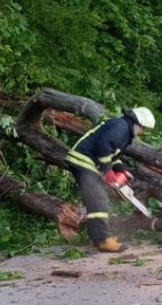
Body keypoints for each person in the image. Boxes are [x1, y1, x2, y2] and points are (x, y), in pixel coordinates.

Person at [66, 106, 156, 252]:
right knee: (98, 198)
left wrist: (120, 170)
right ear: (136, 122)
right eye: (142, 128)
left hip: (88, 162)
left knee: (96, 199)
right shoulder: (121, 127)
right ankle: (103, 240)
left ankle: (98, 237)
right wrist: (107, 171)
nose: (142, 132)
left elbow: (111, 155)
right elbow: (104, 146)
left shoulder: (123, 130)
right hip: (82, 160)